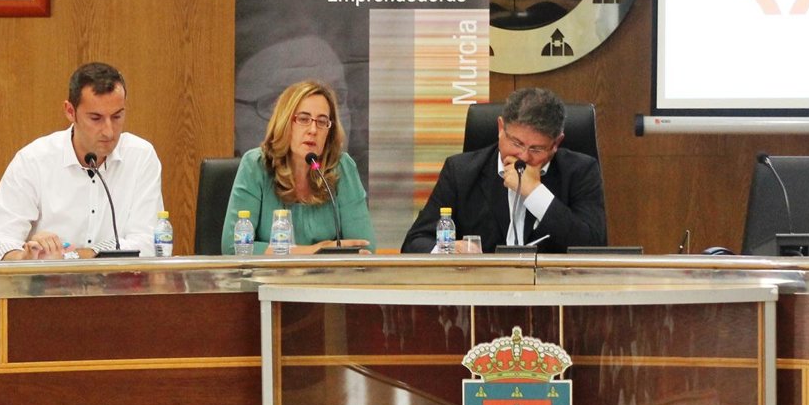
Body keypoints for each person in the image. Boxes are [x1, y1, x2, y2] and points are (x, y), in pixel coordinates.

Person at [0, 62, 163, 260]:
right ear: (70, 111)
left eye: (117, 116)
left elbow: (149, 244)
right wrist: (28, 258)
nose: (109, 131)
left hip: (117, 280)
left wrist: (73, 257)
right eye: (96, 118)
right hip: (45, 280)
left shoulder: (141, 156)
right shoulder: (33, 161)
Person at [401, 88, 606, 254]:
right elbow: (414, 243)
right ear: (501, 128)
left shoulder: (580, 171)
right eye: (516, 143)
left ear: (556, 143)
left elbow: (592, 247)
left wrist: (535, 193)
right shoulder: (461, 171)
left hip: (553, 288)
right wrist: (448, 249)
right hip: (481, 288)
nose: (523, 156)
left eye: (536, 149)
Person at [222, 79, 375, 254]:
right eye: (303, 119)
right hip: (268, 273)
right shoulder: (256, 165)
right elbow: (234, 247)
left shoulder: (341, 167)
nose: (313, 130)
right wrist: (314, 251)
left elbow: (364, 247)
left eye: (322, 121)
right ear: (285, 123)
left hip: (327, 272)